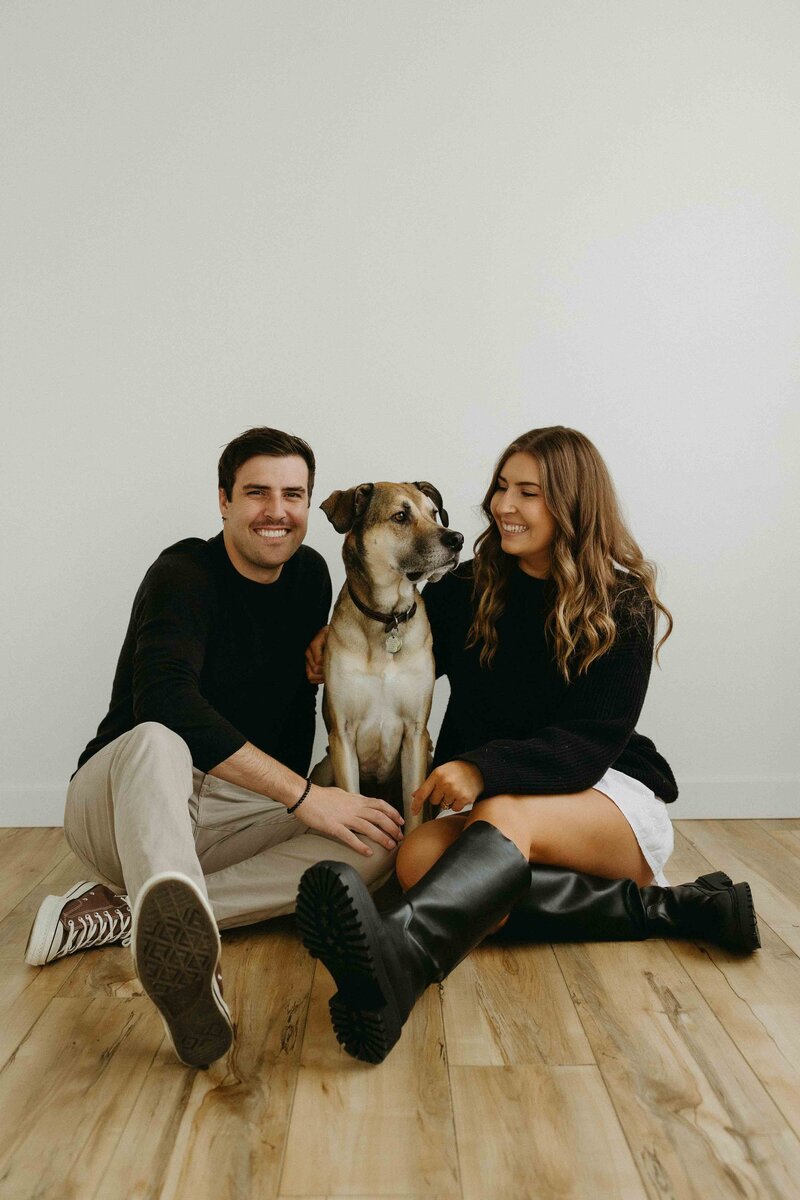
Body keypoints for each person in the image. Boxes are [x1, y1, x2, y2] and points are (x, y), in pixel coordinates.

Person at [297, 425, 760, 1065]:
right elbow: (398, 668)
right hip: (500, 791)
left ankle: (401, 961)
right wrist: (338, 639)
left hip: (601, 790)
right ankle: (669, 908)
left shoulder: (621, 604)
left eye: (529, 493)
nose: (503, 506)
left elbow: (590, 742)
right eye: (501, 488)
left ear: (572, 503)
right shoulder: (469, 589)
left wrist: (480, 767)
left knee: (498, 818)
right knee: (417, 860)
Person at [24, 426, 404, 1068]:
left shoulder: (312, 574)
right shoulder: (183, 573)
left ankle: (137, 914)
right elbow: (166, 702)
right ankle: (172, 929)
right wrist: (306, 795)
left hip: (235, 808)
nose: (277, 511)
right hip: (125, 800)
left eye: (293, 495)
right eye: (257, 492)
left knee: (376, 842)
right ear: (224, 501)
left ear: (310, 505)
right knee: (157, 737)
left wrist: (329, 646)